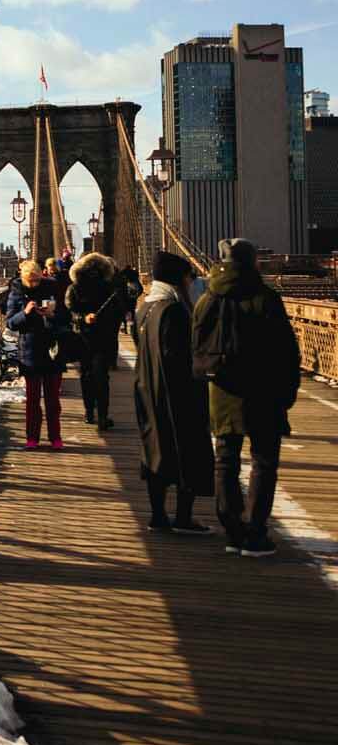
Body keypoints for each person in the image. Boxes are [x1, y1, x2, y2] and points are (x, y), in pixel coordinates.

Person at [193, 238, 301, 557]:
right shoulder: (266, 298)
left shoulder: (207, 299)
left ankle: (232, 531)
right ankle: (255, 532)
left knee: (225, 460)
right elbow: (286, 352)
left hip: (223, 392)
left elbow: (196, 348)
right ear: (252, 262)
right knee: (264, 462)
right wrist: (288, 393)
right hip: (264, 393)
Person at [134, 251, 214, 534]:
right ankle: (183, 518)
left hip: (147, 390)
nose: (192, 283)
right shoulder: (175, 311)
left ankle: (157, 516)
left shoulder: (144, 307)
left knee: (155, 451)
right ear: (178, 280)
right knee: (187, 451)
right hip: (177, 396)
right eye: (189, 278)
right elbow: (178, 358)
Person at [6, 257, 70, 449]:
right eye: (30, 280)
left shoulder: (53, 288)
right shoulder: (17, 292)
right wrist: (25, 313)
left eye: (37, 279)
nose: (34, 283)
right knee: (32, 400)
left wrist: (51, 315)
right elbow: (10, 323)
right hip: (30, 351)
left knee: (53, 400)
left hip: (52, 349)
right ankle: (32, 438)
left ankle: (55, 437)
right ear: (24, 278)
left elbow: (66, 317)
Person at [68, 251, 123, 429]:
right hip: (92, 337)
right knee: (96, 376)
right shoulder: (106, 287)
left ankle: (95, 414)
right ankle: (96, 414)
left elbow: (70, 311)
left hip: (90, 337)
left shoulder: (77, 287)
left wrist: (82, 319)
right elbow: (72, 313)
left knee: (91, 375)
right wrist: (84, 318)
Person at [117, 265, 143, 337]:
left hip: (124, 297)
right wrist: (136, 296)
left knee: (123, 312)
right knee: (132, 312)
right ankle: (133, 329)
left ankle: (125, 328)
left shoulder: (122, 275)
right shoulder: (134, 276)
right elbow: (141, 289)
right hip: (132, 297)